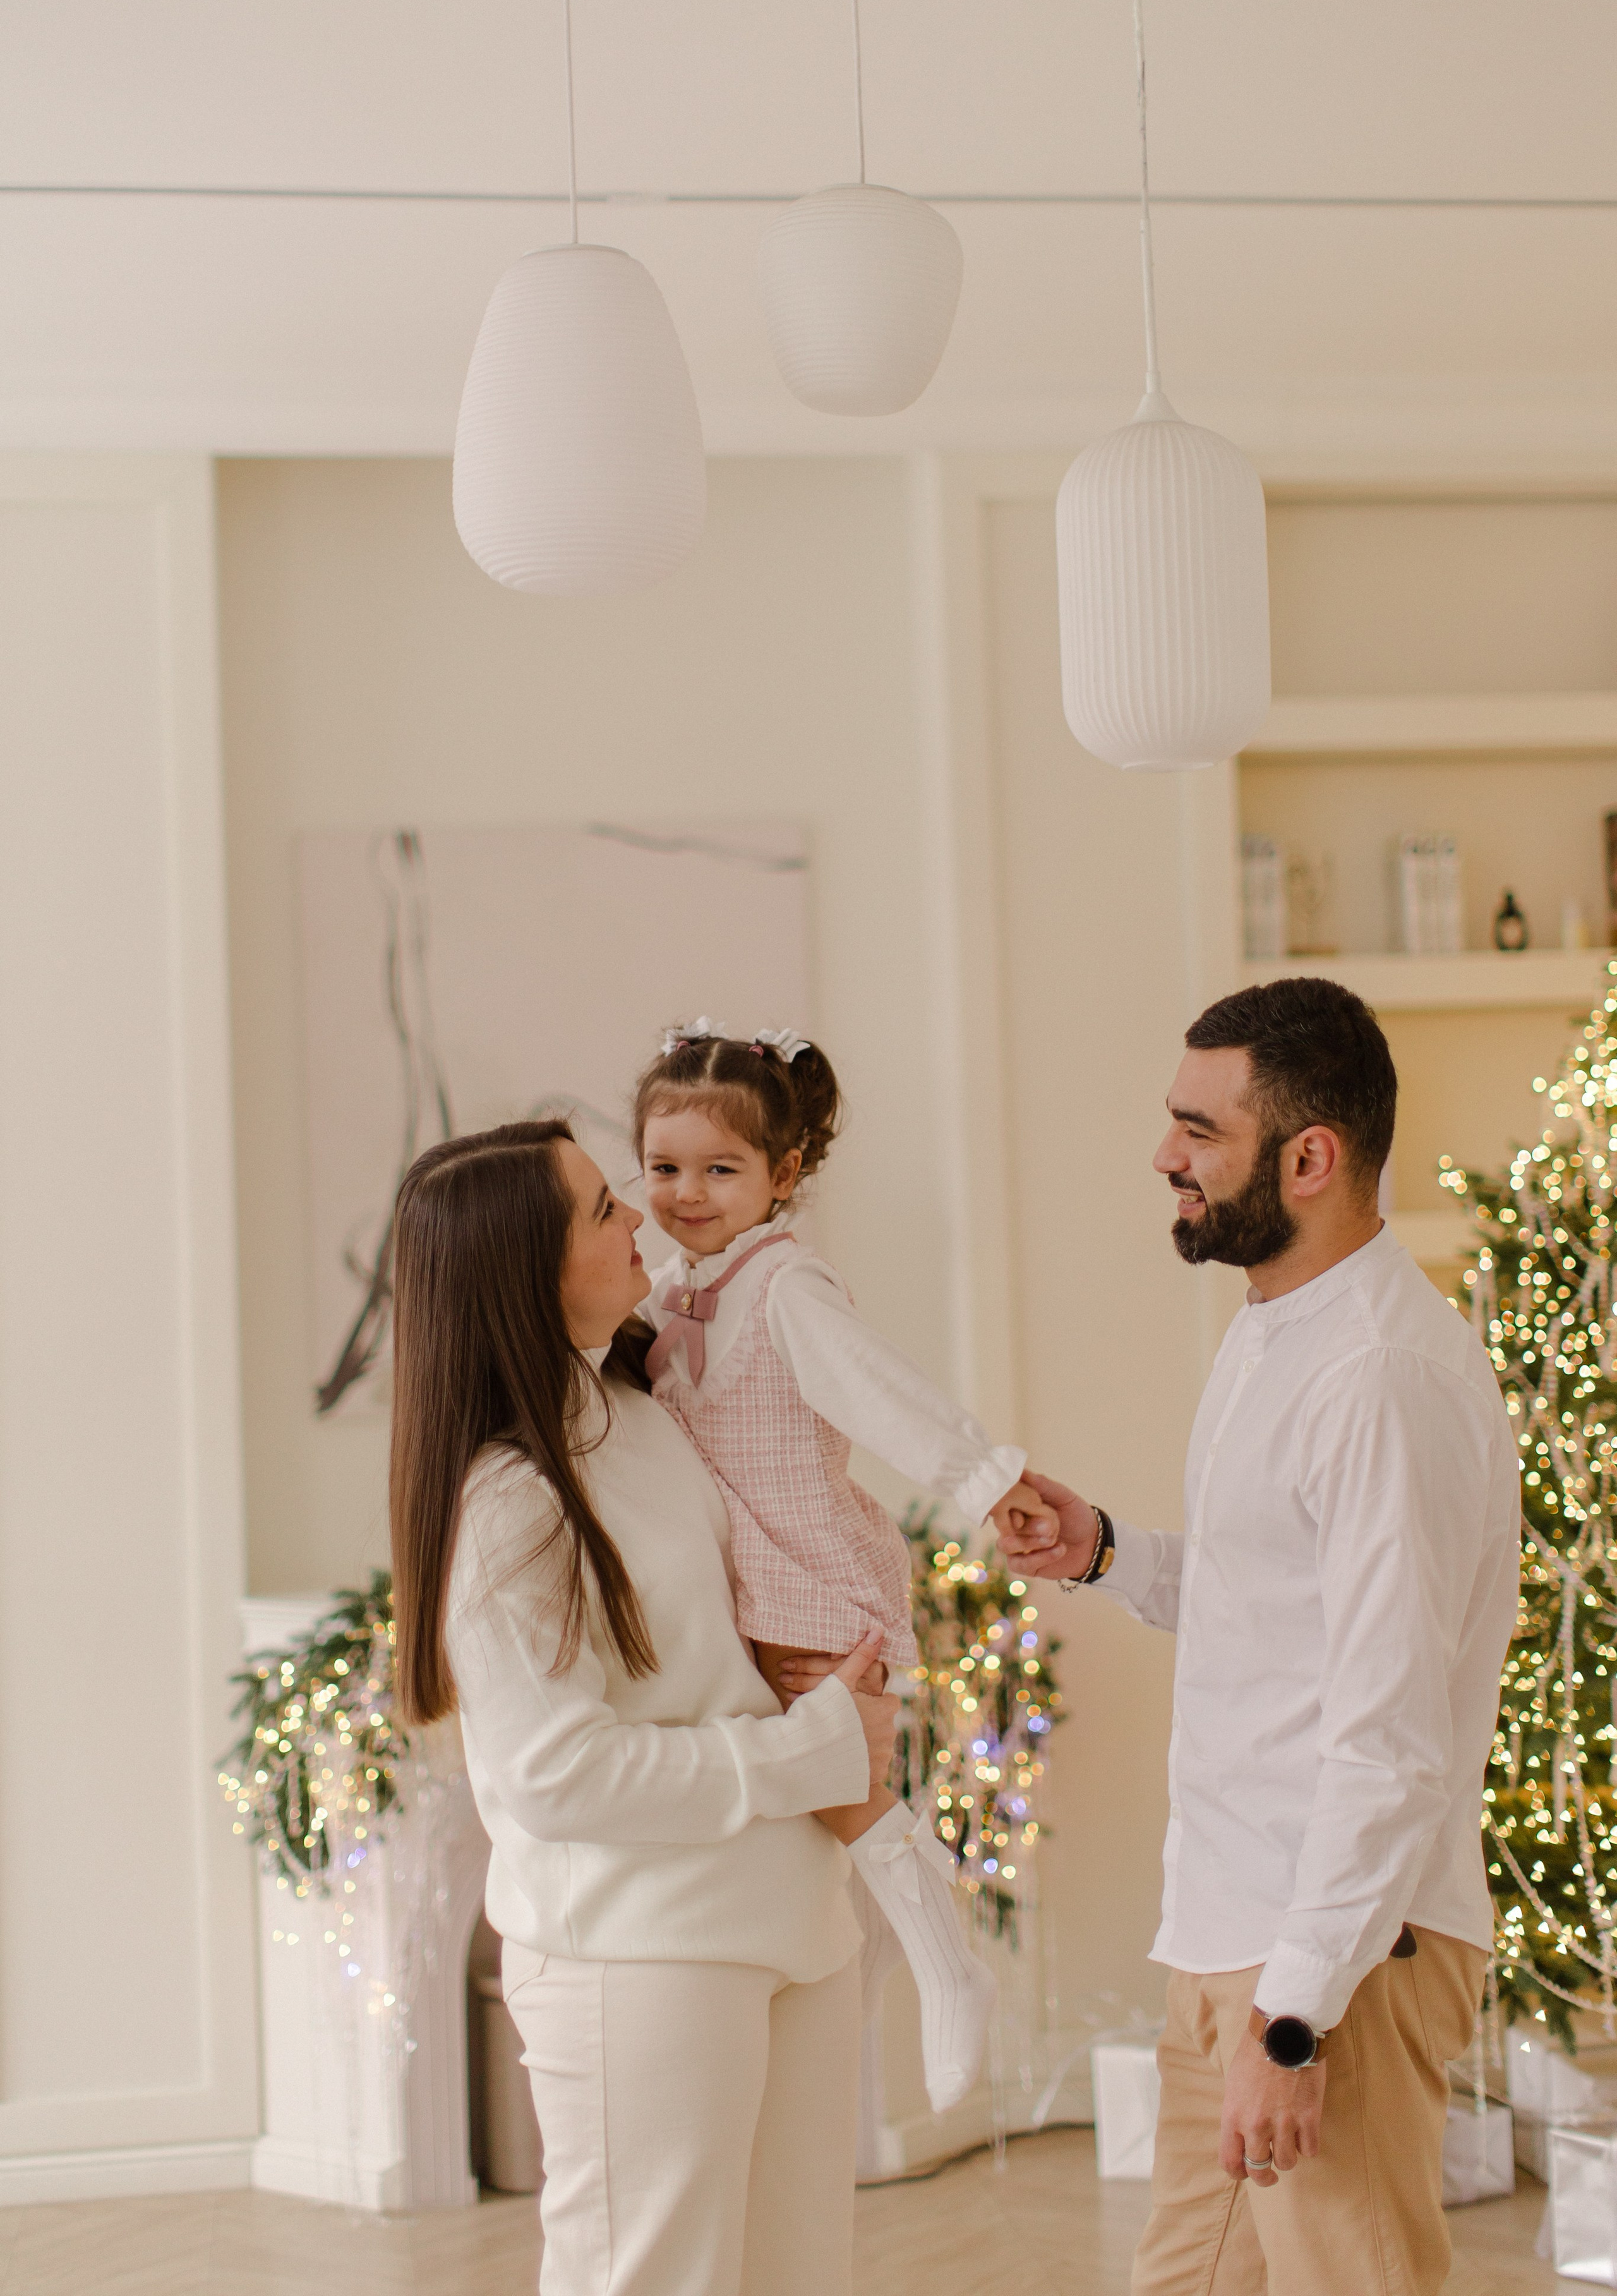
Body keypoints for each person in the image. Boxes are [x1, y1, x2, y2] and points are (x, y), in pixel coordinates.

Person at [1000, 977, 1520, 2296]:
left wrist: (1292, 2021)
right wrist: (1111, 1551)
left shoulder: (1382, 1381)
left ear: (1308, 1158)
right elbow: (1273, 1599)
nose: (1163, 1155)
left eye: (1196, 1129)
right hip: (1230, 1925)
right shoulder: (1274, 1335)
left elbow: (1387, 1734)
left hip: (1332, 1953)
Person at [388, 1117, 899, 2296]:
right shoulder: (514, 1501)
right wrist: (807, 1750)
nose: (642, 1220)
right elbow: (556, 1777)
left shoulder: (647, 1411)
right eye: (601, 1209)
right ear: (527, 1271)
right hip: (646, 1954)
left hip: (792, 1928)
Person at [631, 1018, 1058, 2111]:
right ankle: (869, 1975)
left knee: (840, 1783)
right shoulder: (673, 1290)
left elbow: (882, 1391)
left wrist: (982, 1478)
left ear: (782, 1176)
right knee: (805, 1796)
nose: (686, 1193)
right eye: (664, 1168)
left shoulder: (786, 1290)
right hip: (738, 1578)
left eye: (719, 1170)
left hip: (806, 1571)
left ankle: (948, 1967)